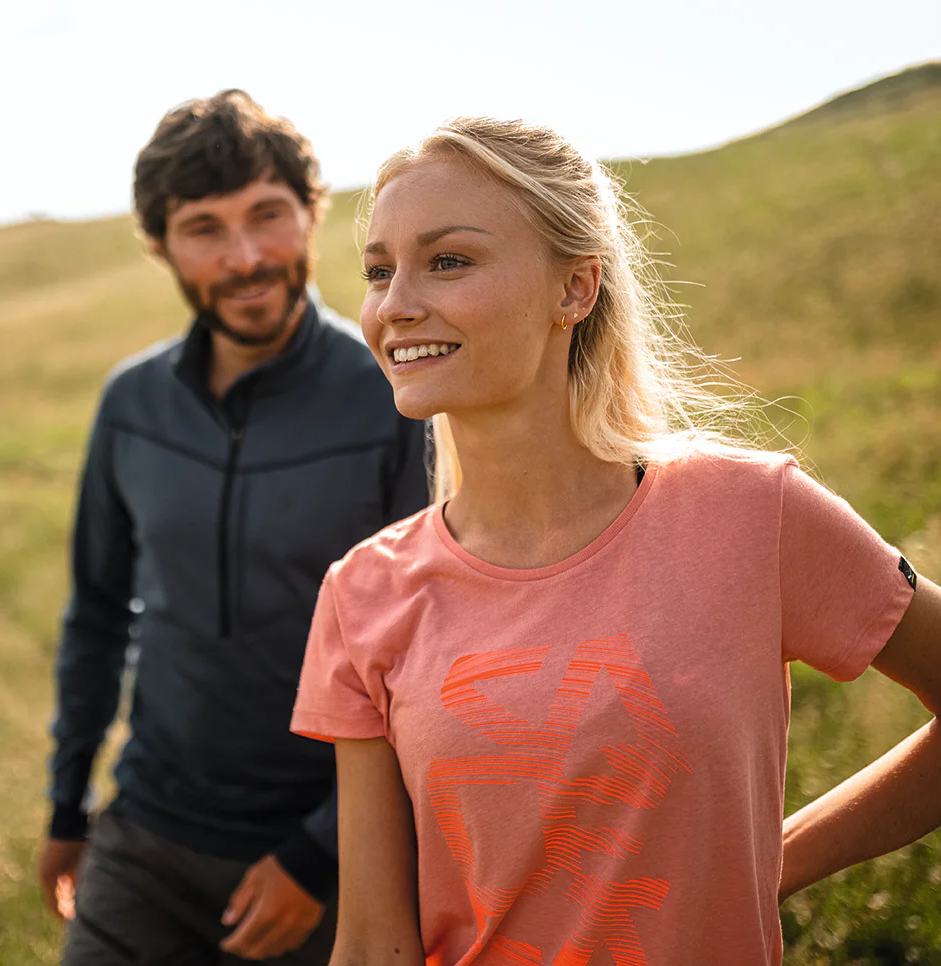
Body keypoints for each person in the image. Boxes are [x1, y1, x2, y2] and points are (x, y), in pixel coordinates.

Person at [290, 117, 941, 965]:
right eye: (379, 270)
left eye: (448, 260)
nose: (393, 303)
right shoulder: (363, 594)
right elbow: (374, 944)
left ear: (575, 289)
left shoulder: (753, 513)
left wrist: (771, 864)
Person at [41, 90, 429, 965]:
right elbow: (97, 617)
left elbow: (433, 650)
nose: (247, 257)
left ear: (312, 213)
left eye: (268, 216)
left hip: (328, 855)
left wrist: (318, 855)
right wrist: (67, 809)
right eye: (205, 229)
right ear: (161, 245)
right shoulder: (130, 405)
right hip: (144, 836)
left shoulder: (398, 396)